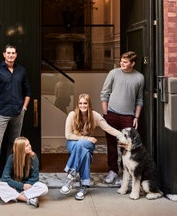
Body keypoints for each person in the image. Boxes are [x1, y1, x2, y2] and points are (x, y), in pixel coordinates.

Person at [60, 93, 125, 200]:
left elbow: (108, 128)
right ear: (77, 105)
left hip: (87, 144)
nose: (82, 106)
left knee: (81, 145)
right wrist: (87, 138)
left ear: (89, 104)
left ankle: (70, 177)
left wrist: (121, 135)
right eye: (80, 103)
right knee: (84, 153)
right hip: (73, 143)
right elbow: (68, 135)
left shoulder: (94, 116)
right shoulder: (72, 115)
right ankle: (83, 186)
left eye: (85, 103)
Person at [0, 44, 32, 190]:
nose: (11, 55)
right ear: (4, 54)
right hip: (0, 113)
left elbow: (28, 91)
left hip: (18, 113)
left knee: (14, 146)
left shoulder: (21, 71)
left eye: (13, 53)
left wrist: (24, 108)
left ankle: (10, 178)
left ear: (16, 55)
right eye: (8, 53)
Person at [100, 51, 145, 185]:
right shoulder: (114, 73)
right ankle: (112, 171)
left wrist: (136, 117)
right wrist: (105, 113)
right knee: (111, 144)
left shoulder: (139, 77)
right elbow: (105, 93)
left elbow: (140, 99)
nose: (122, 64)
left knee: (126, 146)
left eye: (125, 62)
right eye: (121, 61)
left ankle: (126, 172)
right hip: (111, 113)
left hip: (128, 116)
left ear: (132, 63)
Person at [0, 136, 48, 207]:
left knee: (44, 188)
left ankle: (16, 196)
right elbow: (5, 178)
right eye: (27, 146)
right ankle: (27, 199)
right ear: (21, 149)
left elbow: (35, 178)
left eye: (29, 144)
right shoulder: (11, 158)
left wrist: (26, 187)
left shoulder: (33, 157)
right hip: (14, 186)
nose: (30, 146)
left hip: (28, 187)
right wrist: (21, 186)